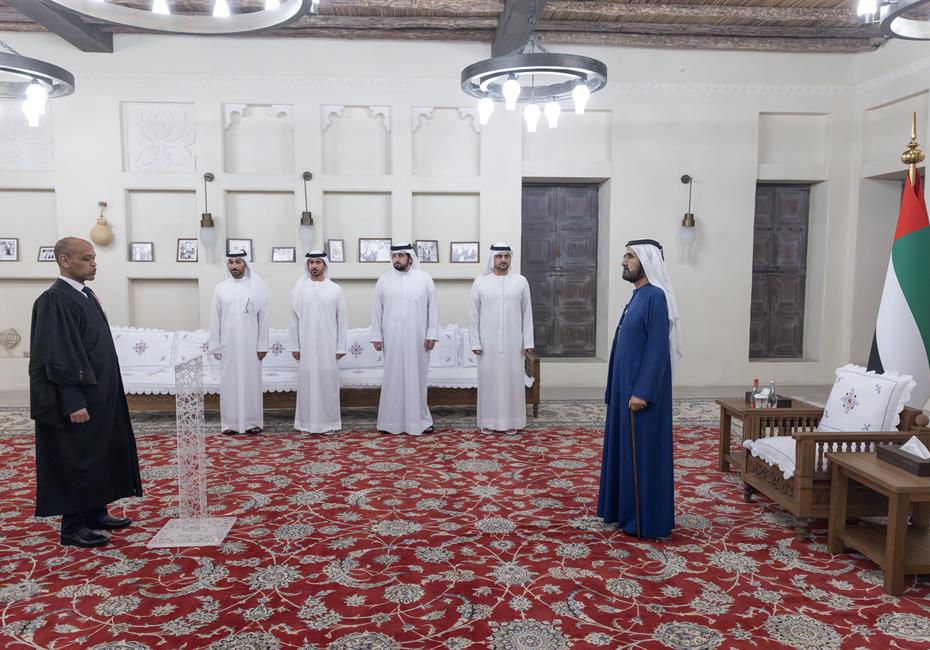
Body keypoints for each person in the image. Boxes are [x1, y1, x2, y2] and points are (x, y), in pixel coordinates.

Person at [29, 237, 143, 548]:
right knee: (77, 456)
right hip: (79, 399)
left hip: (99, 393)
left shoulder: (85, 295)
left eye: (93, 258)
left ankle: (95, 511)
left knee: (98, 453)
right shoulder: (54, 300)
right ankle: (73, 526)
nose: (93, 263)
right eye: (85, 259)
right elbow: (58, 356)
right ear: (64, 261)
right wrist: (72, 400)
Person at [597, 239, 682, 539]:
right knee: (625, 454)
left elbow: (658, 349)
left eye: (630, 256)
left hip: (640, 396)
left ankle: (643, 521)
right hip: (625, 390)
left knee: (641, 457)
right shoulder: (637, 296)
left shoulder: (654, 297)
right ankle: (623, 512)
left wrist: (643, 392)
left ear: (646, 262)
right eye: (625, 256)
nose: (623, 261)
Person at [370, 242, 438, 435]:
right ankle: (390, 423)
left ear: (409, 257)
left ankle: (421, 422)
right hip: (392, 337)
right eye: (394, 256)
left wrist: (432, 333)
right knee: (393, 378)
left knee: (417, 378)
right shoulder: (384, 280)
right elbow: (376, 310)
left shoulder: (424, 279)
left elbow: (432, 309)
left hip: (419, 339)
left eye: (401, 256)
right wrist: (377, 335)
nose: (397, 260)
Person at [468, 243, 534, 434]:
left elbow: (527, 313)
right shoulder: (480, 282)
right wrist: (475, 341)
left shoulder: (520, 281)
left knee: (513, 381)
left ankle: (512, 422)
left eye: (506, 256)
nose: (503, 260)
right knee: (489, 381)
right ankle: (488, 422)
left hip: (514, 343)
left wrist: (528, 341)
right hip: (487, 343)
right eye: (499, 256)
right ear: (492, 259)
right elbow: (473, 314)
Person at [209, 248, 269, 435]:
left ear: (246, 264)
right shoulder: (220, 288)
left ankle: (252, 423)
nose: (234, 266)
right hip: (228, 345)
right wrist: (215, 345)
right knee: (229, 382)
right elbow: (215, 318)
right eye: (231, 262)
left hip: (251, 345)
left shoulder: (258, 288)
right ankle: (230, 423)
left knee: (251, 381)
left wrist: (262, 345)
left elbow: (264, 319)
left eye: (238, 262)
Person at [288, 251, 347, 434]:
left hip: (328, 346)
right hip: (305, 346)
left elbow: (342, 320)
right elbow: (293, 320)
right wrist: (294, 346)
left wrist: (341, 346)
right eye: (311, 262)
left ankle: (329, 424)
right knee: (307, 384)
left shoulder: (335, 289)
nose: (314, 266)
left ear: (325, 265)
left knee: (327, 384)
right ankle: (305, 424)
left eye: (318, 262)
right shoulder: (299, 289)